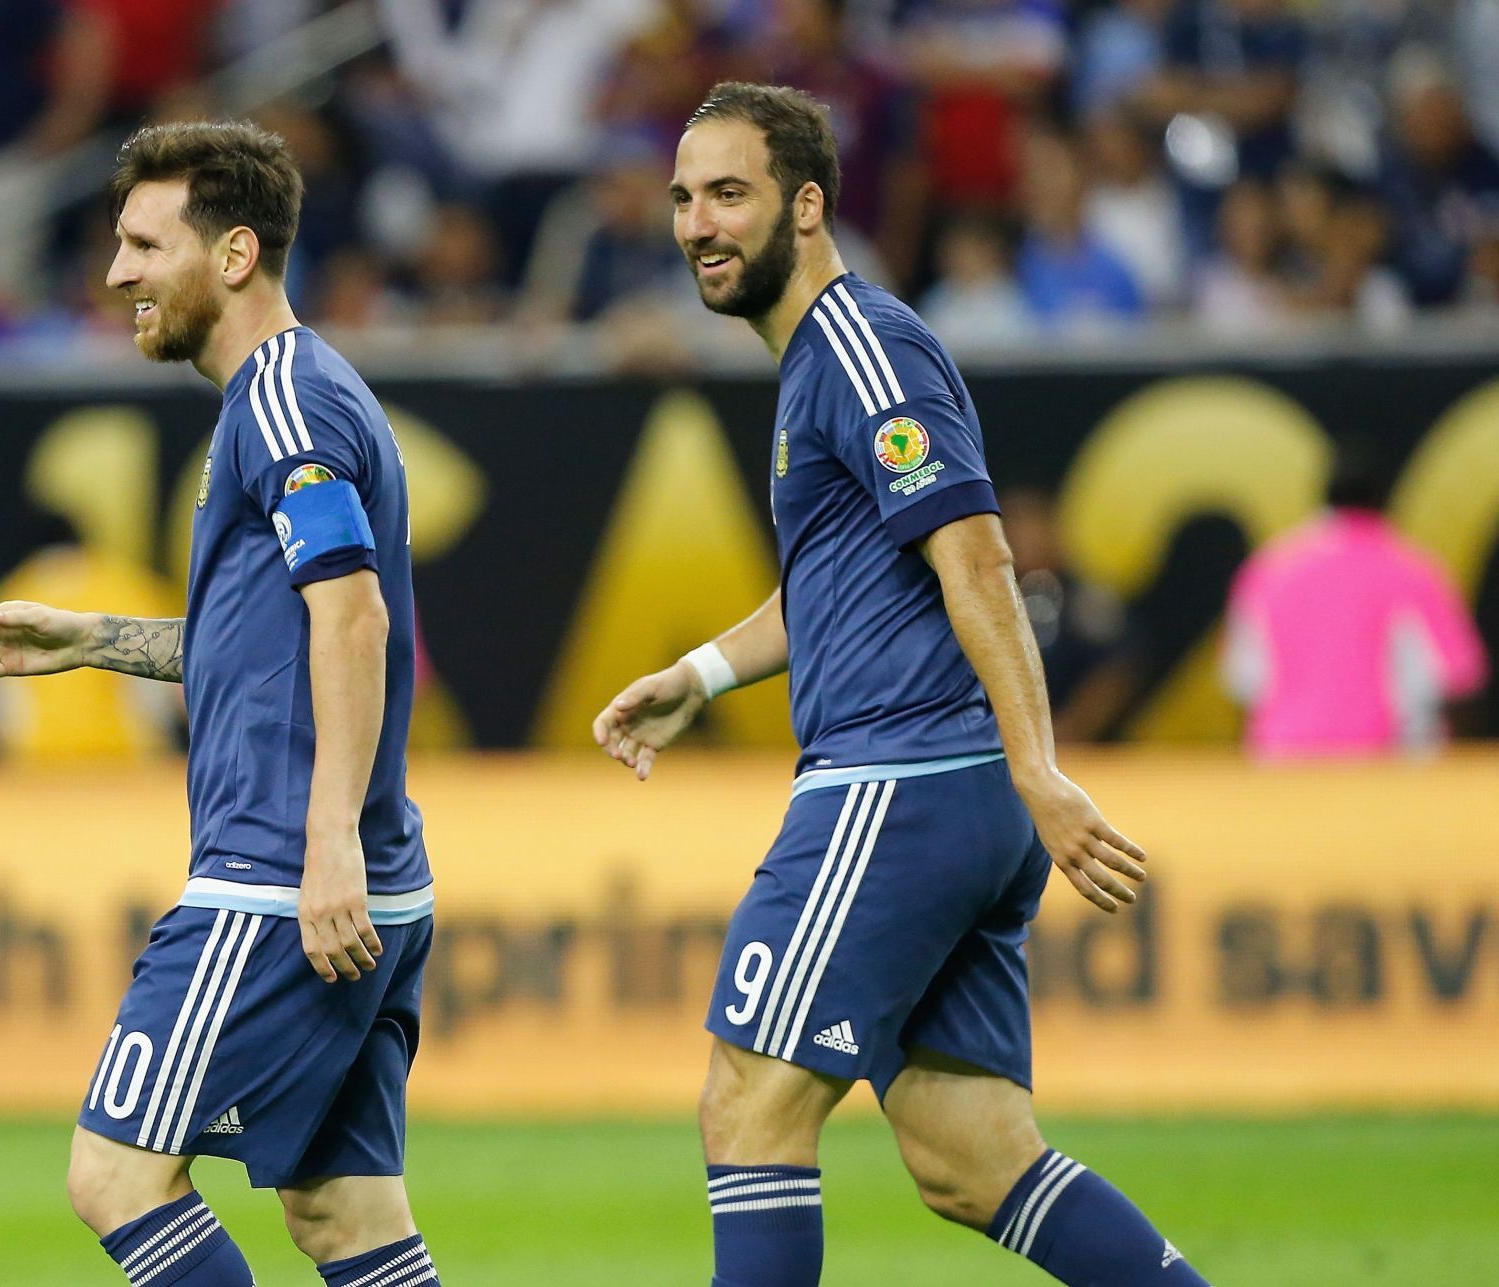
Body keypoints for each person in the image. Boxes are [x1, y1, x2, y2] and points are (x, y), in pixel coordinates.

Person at [593, 83, 1208, 1287]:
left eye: (729, 194)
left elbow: (974, 552)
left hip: (900, 779)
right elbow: (843, 581)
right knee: (969, 1158)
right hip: (948, 791)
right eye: (682, 199)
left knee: (749, 1104)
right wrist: (705, 675)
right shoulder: (817, 364)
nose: (697, 225)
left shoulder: (862, 345)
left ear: (808, 206)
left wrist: (1041, 770)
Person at [0, 121, 440, 1287]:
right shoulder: (311, 390)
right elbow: (277, 643)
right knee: (344, 1218)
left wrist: (322, 846)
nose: (116, 273)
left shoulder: (281, 405)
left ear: (231, 255)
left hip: (276, 880)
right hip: (365, 873)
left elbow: (353, 618)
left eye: (141, 245)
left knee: (116, 1178)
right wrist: (96, 641)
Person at [1222, 439, 1488, 758]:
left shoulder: (1270, 570)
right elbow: (1460, 678)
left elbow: (1243, 679)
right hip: (1387, 763)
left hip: (1286, 762)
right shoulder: (1414, 572)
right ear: (1387, 499)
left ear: (1324, 497)